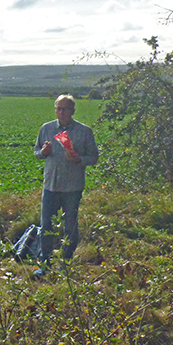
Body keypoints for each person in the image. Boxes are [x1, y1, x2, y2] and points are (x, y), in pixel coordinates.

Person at [33, 94, 99, 275]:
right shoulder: (46, 129)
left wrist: (79, 159)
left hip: (73, 187)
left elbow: (94, 157)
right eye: (58, 108)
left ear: (73, 111)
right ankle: (44, 264)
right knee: (46, 225)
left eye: (65, 109)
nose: (61, 112)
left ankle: (65, 264)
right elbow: (36, 151)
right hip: (50, 186)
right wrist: (43, 152)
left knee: (70, 226)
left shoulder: (84, 131)